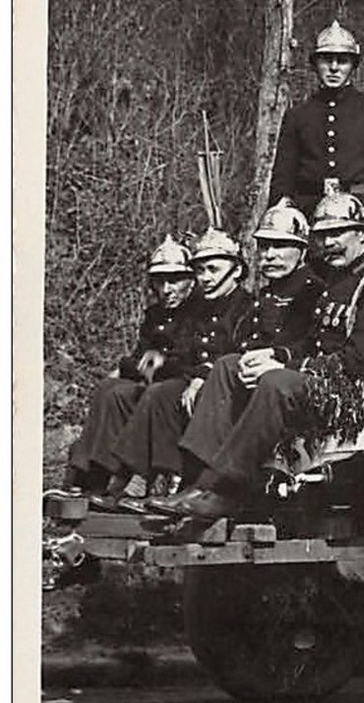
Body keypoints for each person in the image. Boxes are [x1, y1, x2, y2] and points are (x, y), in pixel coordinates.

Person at [152, 187, 364, 521]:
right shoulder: (341, 278)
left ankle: (227, 489)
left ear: (362, 234)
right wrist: (274, 353)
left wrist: (285, 365)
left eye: (337, 233)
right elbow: (315, 342)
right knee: (228, 366)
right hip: (333, 384)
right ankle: (197, 482)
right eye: (322, 236)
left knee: (277, 384)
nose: (328, 244)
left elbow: (359, 363)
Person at [171, 199, 326, 499]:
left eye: (280, 247)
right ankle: (196, 477)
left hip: (290, 381)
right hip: (259, 376)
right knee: (227, 364)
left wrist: (277, 358)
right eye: (264, 247)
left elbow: (312, 343)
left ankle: (216, 485)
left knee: (238, 369)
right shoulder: (268, 293)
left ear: (303, 252)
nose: (270, 255)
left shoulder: (311, 290)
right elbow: (244, 340)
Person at [96, 229, 255, 509]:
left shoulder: (245, 306)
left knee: (161, 394)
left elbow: (237, 351)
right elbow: (182, 349)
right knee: (138, 391)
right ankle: (110, 478)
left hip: (227, 384)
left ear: (237, 270)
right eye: (201, 270)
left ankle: (139, 479)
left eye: (213, 269)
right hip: (190, 376)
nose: (205, 278)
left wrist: (199, 376)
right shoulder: (200, 309)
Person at [60, 235, 195, 497]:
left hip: (177, 383)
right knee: (110, 389)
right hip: (153, 379)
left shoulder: (198, 311)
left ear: (190, 280)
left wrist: (157, 364)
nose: (167, 289)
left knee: (152, 393)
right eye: (159, 281)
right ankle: (92, 473)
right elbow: (138, 356)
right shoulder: (154, 315)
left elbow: (188, 359)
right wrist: (133, 366)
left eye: (175, 280)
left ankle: (139, 475)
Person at [268, 21, 364, 254]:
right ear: (315, 65)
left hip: (361, 220)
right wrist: (281, 226)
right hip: (310, 222)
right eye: (326, 60)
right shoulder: (298, 116)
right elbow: (283, 180)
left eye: (342, 61)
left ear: (353, 65)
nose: (334, 68)